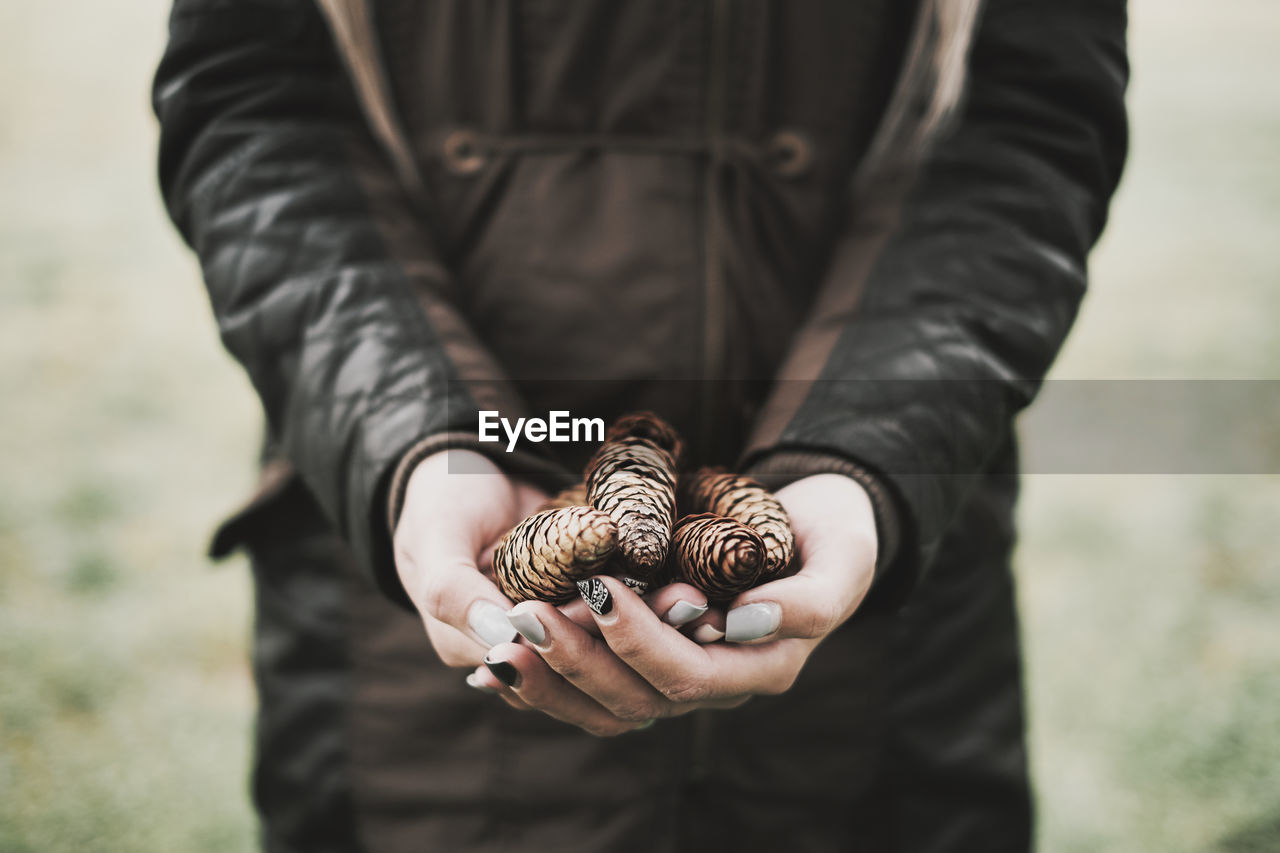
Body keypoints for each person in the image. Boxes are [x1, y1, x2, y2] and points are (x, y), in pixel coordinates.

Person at [153, 1, 1128, 850]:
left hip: (881, 656)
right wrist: (423, 438)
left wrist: (863, 456)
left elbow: (1023, 124)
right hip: (399, 678)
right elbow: (251, 106)